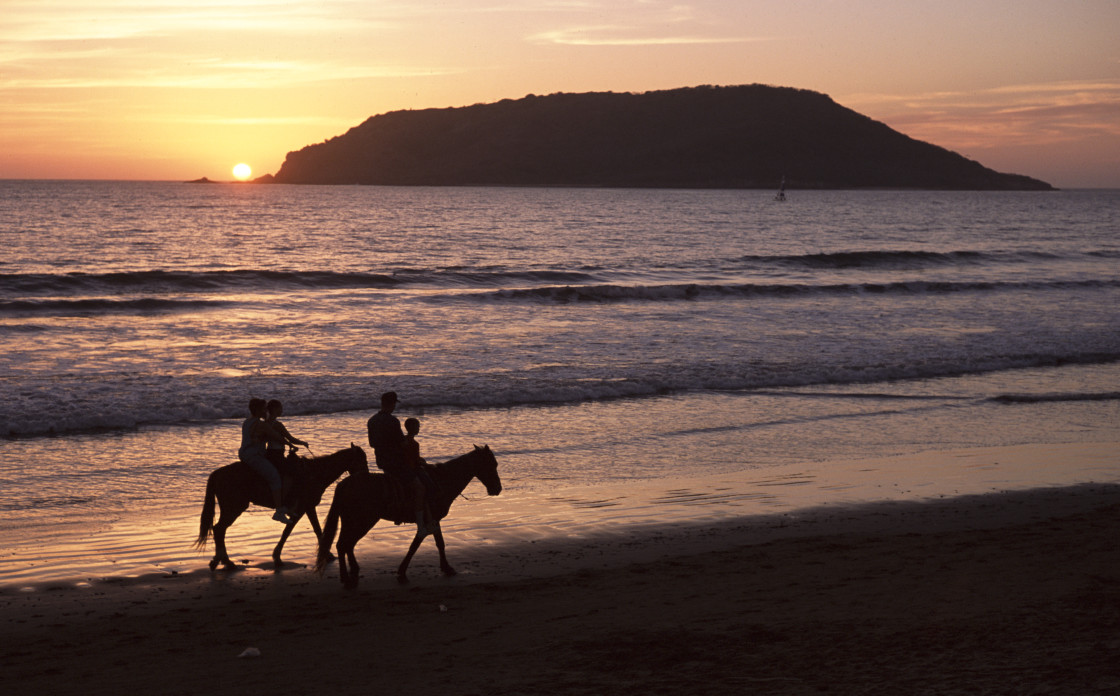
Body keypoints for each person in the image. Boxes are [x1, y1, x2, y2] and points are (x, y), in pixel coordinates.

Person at [367, 392, 427, 535]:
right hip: (397, 463)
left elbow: (371, 444)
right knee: (419, 488)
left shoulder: (371, 421)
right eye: (394, 404)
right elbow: (402, 444)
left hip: (381, 462)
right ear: (392, 404)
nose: (394, 407)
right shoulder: (393, 421)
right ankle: (421, 526)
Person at [239, 398, 290, 524]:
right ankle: (278, 510)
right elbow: (276, 436)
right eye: (263, 408)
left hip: (244, 453)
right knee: (274, 477)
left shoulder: (247, 421)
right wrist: (290, 444)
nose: (266, 410)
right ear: (258, 410)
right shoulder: (261, 424)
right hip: (254, 456)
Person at [262, 399, 308, 470]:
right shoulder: (278, 425)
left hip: (269, 452)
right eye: (280, 408)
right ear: (275, 409)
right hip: (277, 454)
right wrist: (303, 443)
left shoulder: (265, 423)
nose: (282, 410)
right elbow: (291, 439)